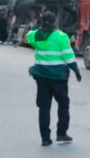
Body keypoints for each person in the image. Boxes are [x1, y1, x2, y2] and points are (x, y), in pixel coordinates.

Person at [27, 11, 82, 146]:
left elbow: (30, 34)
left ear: (42, 22)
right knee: (63, 106)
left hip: (42, 78)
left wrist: (38, 25)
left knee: (44, 108)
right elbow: (68, 56)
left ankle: (45, 138)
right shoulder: (61, 36)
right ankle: (61, 134)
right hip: (59, 79)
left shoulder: (34, 36)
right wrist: (76, 71)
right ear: (54, 22)